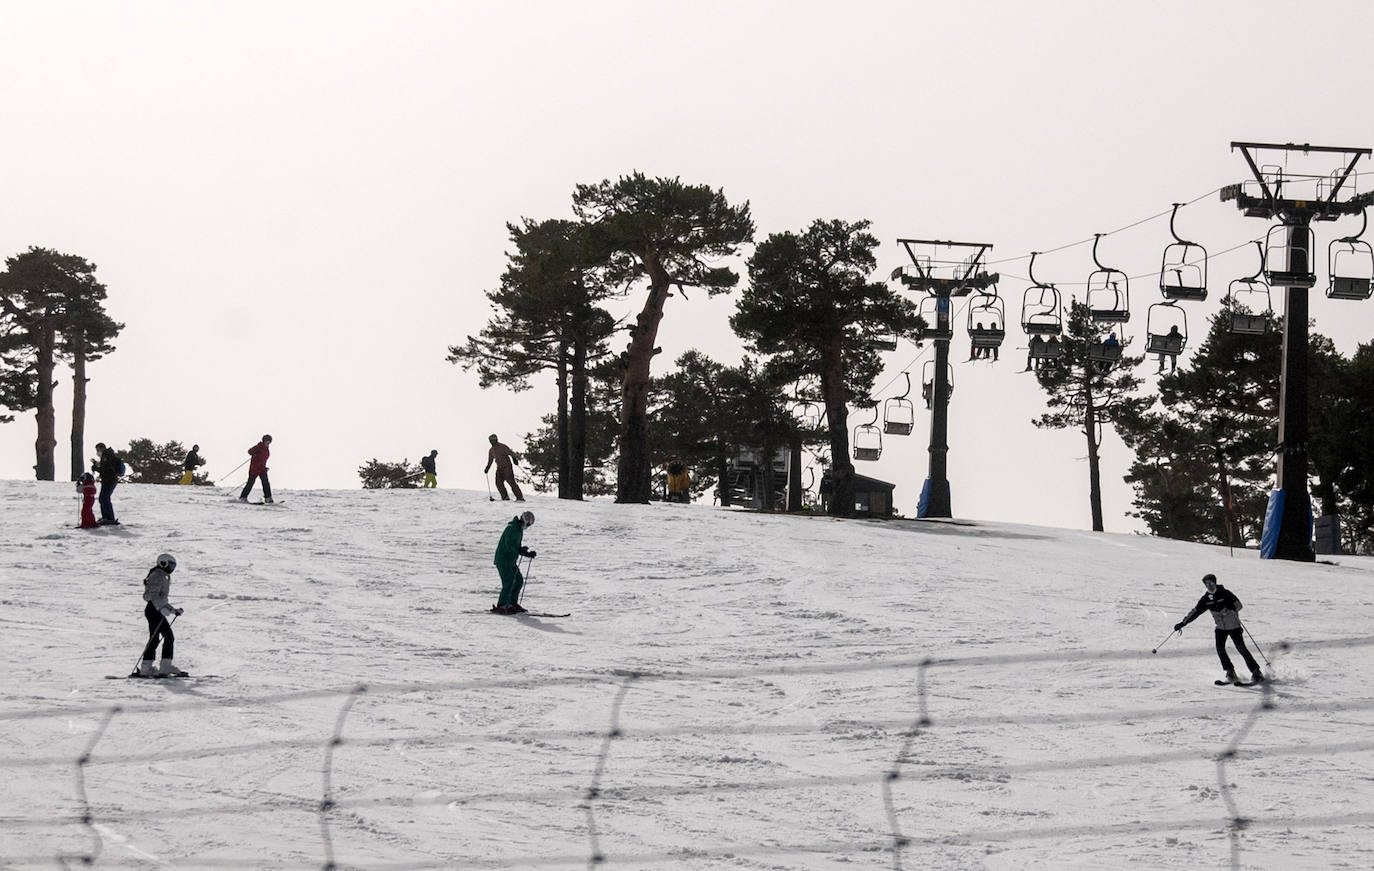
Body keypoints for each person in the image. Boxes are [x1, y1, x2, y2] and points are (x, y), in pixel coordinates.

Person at [1173, 572, 1264, 685]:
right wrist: (1183, 623)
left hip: (1234, 626)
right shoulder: (1206, 599)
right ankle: (1230, 672)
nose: (1209, 586)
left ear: (1215, 583)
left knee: (1241, 649)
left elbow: (1239, 605)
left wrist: (1232, 607)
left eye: (1211, 583)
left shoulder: (1225, 593)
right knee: (1220, 649)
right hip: (1220, 628)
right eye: (1207, 584)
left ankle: (1256, 672)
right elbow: (1196, 612)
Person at [137, 553, 187, 677]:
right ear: (162, 563)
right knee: (167, 636)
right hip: (153, 610)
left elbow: (161, 598)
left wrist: (172, 610)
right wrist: (161, 608)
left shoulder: (162, 576)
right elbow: (152, 596)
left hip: (156, 609)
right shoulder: (157, 576)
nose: (171, 568)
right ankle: (162, 666)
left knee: (157, 638)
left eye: (173, 565)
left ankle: (149, 667)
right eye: (170, 565)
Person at [492, 510, 536, 614]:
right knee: (509, 582)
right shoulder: (512, 528)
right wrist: (519, 550)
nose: (528, 527)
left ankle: (512, 603)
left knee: (519, 581)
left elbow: (514, 546)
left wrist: (526, 553)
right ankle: (502, 605)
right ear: (525, 521)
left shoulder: (518, 529)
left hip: (510, 560)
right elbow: (508, 546)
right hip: (503, 560)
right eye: (528, 524)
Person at [484, 434, 524, 501]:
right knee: (498, 483)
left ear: (496, 440)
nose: (492, 442)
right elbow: (490, 460)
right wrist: (487, 468)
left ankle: (520, 497)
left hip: (507, 467)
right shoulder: (491, 450)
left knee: (511, 482)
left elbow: (511, 453)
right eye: (491, 441)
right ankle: (505, 497)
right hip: (499, 468)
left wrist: (515, 459)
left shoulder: (503, 447)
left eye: (493, 440)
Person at [92, 442, 124, 525]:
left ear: (101, 448)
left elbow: (105, 468)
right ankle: (106, 517)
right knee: (103, 498)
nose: (97, 452)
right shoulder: (108, 455)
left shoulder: (107, 456)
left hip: (109, 480)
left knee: (104, 498)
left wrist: (96, 468)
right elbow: (105, 468)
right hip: (108, 480)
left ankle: (109, 518)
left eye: (98, 450)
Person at [239, 435, 273, 503]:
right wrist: (254, 452)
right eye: (267, 441)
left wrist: (265, 468)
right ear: (264, 441)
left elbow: (263, 460)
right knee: (250, 483)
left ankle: (268, 498)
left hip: (262, 469)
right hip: (254, 469)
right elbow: (250, 451)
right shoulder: (259, 446)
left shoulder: (266, 449)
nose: (268, 443)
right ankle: (243, 497)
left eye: (269, 442)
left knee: (265, 483)